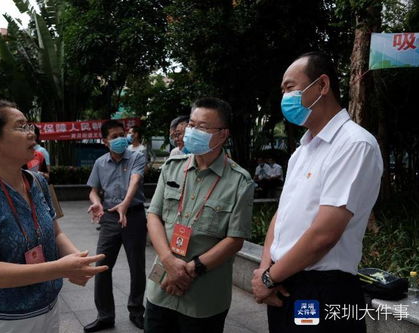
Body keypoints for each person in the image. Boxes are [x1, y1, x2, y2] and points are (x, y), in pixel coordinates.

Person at [251, 52, 383, 333]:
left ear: (322, 85)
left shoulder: (354, 144)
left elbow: (324, 234)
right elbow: (282, 214)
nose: (285, 97)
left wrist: (268, 279)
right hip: (283, 281)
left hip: (323, 289)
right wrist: (266, 269)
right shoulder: (302, 150)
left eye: (290, 87)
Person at [0, 100, 108, 333]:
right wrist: (61, 268)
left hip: (47, 308)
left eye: (29, 125)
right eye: (20, 126)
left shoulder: (38, 182)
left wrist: (78, 261)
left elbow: (56, 233)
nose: (30, 132)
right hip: (1, 320)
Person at [145, 97, 254, 333]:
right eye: (191, 125)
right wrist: (168, 261)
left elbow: (234, 240)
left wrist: (188, 270)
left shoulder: (239, 181)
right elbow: (154, 216)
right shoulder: (172, 166)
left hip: (204, 296)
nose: (192, 132)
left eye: (202, 127)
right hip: (160, 286)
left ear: (223, 135)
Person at [84, 120, 147, 332]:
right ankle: (105, 315)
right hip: (110, 218)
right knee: (102, 266)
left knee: (137, 266)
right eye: (114, 136)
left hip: (134, 216)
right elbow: (93, 190)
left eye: (122, 134)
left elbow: (135, 181)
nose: (120, 139)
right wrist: (96, 202)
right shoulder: (100, 163)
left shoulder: (137, 156)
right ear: (105, 141)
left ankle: (136, 311)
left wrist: (125, 205)